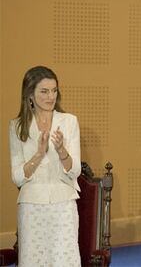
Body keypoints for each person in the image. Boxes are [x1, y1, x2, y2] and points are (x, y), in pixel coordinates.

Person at [9, 66, 81, 266]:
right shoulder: (16, 127)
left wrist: (61, 151)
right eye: (44, 91)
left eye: (54, 90)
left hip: (63, 205)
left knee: (64, 260)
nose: (51, 96)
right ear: (29, 94)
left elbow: (75, 171)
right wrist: (38, 155)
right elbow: (17, 176)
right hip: (32, 206)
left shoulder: (69, 122)